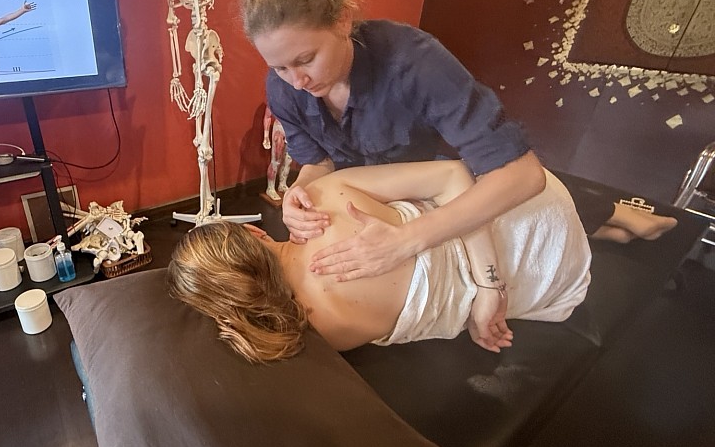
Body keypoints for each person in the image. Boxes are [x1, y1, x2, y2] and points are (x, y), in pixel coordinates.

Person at [238, 0, 676, 284]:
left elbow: (521, 174)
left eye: (305, 60)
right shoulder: (285, 88)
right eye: (279, 67)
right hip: (386, 189)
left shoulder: (413, 61)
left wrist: (408, 240)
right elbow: (318, 162)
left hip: (452, 173)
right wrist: (300, 193)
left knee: (529, 208)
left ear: (342, 20)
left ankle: (613, 214)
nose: (297, 81)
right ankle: (611, 224)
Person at [169, 161, 592, 363]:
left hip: (554, 282)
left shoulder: (315, 332)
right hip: (535, 207)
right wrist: (489, 283)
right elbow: (453, 176)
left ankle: (614, 223)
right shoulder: (326, 197)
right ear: (255, 233)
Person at [262, 103, 293, 203]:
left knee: (288, 160)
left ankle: (282, 184)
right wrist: (266, 136)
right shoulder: (275, 97)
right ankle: (270, 188)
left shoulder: (297, 96)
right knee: (276, 161)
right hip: (280, 129)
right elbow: (267, 116)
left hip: (292, 130)